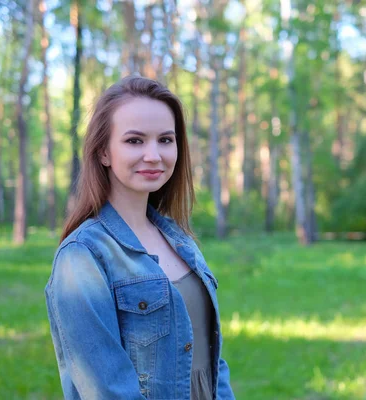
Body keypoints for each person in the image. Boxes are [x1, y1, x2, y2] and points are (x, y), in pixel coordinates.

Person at [45, 76, 236, 400]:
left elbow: (213, 364)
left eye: (165, 139)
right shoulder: (83, 257)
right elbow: (107, 390)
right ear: (104, 152)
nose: (153, 155)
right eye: (135, 141)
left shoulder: (182, 243)